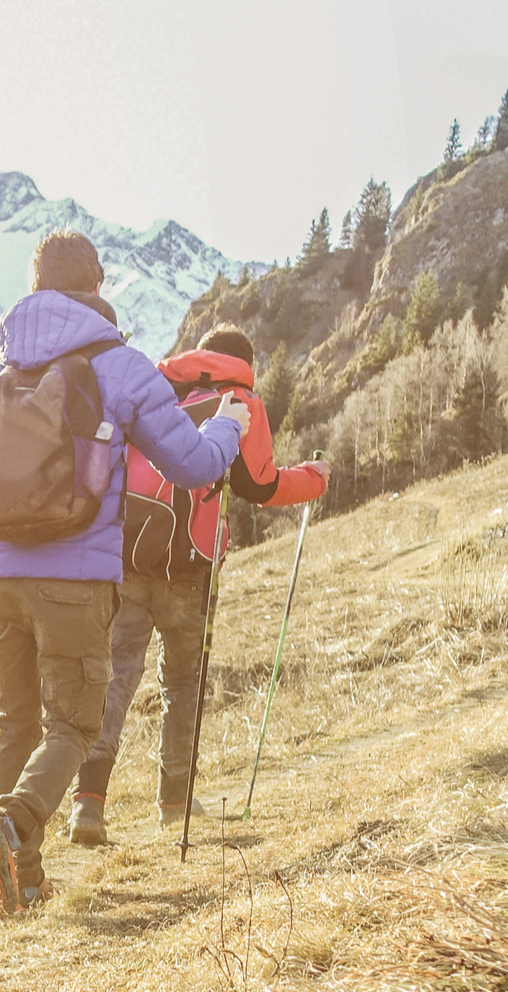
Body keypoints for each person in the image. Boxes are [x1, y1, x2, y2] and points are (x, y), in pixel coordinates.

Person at [0, 231, 250, 919]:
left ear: (35, 286)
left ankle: (23, 883)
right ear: (97, 287)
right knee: (73, 726)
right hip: (76, 580)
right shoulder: (122, 366)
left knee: (13, 725)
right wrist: (229, 427)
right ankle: (15, 826)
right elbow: (193, 467)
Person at [67, 324, 328, 846]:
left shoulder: (156, 387)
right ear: (245, 361)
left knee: (116, 675)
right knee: (182, 684)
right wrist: (314, 477)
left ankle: (88, 803)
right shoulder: (241, 400)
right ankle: (174, 802)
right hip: (192, 565)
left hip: (131, 554)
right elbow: (260, 484)